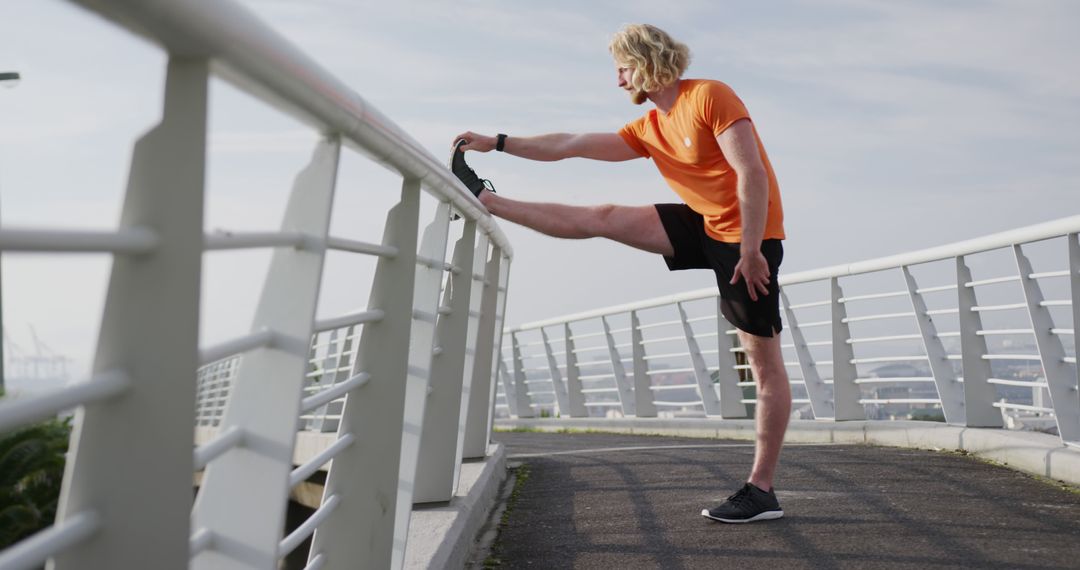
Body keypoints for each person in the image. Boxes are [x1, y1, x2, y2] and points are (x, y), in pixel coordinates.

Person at [452, 23, 790, 524]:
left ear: (647, 61)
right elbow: (568, 144)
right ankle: (487, 199)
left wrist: (751, 250)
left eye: (623, 68)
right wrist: (496, 141)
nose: (618, 80)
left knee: (761, 364)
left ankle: (761, 490)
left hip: (748, 241)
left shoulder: (710, 97)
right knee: (604, 216)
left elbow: (752, 173)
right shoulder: (651, 127)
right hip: (703, 223)